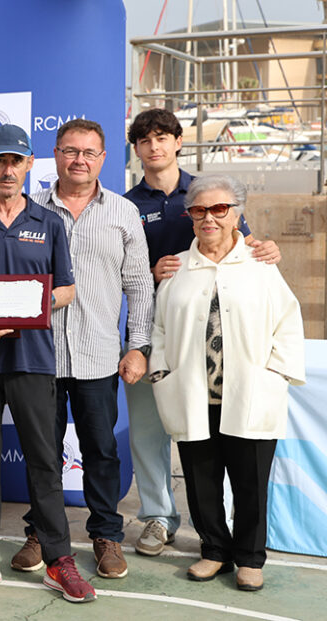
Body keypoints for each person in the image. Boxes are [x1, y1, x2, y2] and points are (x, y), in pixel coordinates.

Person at [0, 124, 95, 603]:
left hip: (33, 360)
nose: (8, 170)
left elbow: (67, 289)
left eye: (16, 161)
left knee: (45, 462)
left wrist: (31, 306)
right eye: (0, 160)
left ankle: (59, 560)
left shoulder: (48, 222)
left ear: (29, 164)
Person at [124, 108, 282, 556]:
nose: (154, 146)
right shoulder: (125, 205)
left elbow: (244, 246)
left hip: (213, 336)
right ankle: (158, 516)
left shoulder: (209, 192)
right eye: (144, 140)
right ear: (136, 150)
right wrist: (148, 274)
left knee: (210, 436)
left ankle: (213, 527)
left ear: (178, 142)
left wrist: (266, 247)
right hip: (153, 331)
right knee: (148, 432)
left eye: (162, 137)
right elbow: (113, 271)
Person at [11, 119, 153, 579]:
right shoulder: (27, 208)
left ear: (103, 159)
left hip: (98, 354)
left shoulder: (123, 212)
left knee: (101, 451)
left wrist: (139, 345)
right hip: (38, 355)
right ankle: (41, 532)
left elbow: (140, 285)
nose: (79, 160)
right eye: (71, 151)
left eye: (89, 153)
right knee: (42, 452)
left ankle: (106, 535)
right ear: (55, 154)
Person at [149, 173, 304, 591]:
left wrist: (276, 374)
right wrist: (161, 374)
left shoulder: (260, 265)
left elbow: (288, 322)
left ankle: (250, 558)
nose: (209, 218)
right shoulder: (177, 269)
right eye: (199, 210)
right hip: (194, 396)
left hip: (251, 394)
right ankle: (214, 550)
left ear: (237, 215)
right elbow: (159, 328)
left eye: (219, 209)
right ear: (189, 216)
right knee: (201, 483)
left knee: (251, 482)